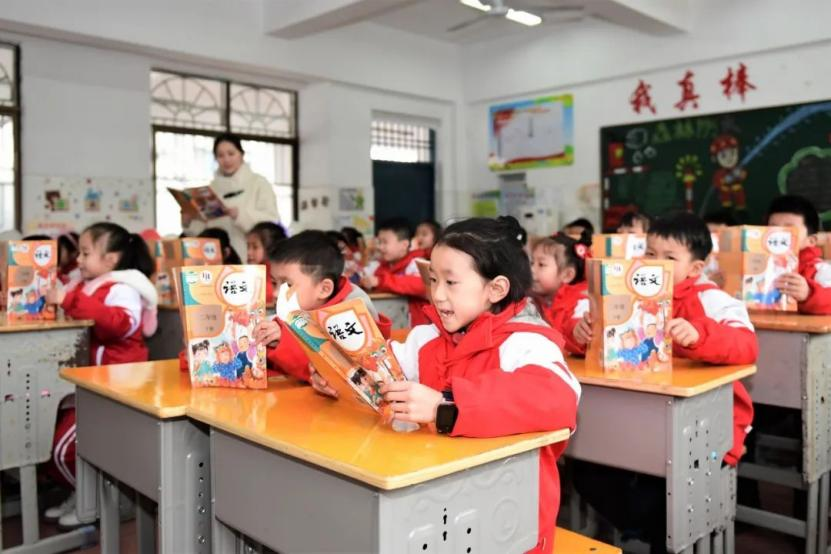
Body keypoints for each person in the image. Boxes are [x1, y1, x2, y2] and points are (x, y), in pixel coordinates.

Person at [311, 217, 580, 553]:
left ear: (496, 289)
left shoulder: (526, 342)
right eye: (434, 279)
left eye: (451, 282)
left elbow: (559, 398)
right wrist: (337, 375)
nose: (437, 294)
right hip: (437, 510)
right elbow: (382, 368)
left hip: (509, 525)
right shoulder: (427, 338)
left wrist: (445, 407)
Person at [572, 212, 756, 551]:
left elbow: (747, 345)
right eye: (650, 254)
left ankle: (658, 534)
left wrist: (700, 335)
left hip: (702, 425)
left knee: (664, 497)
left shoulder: (712, 299)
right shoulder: (626, 294)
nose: (656, 264)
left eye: (669, 258)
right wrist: (581, 333)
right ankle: (647, 529)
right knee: (585, 466)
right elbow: (587, 334)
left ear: (696, 268)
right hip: (640, 416)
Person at [43, 222, 157, 528]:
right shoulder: (86, 285)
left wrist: (68, 301)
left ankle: (92, 499)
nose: (78, 260)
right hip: (89, 383)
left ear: (111, 259)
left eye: (85, 253)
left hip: (115, 386)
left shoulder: (124, 288)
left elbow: (120, 325)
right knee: (51, 445)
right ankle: (81, 493)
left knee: (64, 450)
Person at [247, 231, 391, 382]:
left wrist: (283, 341)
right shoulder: (295, 310)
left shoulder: (352, 314)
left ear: (324, 289)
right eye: (274, 283)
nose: (276, 293)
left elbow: (343, 374)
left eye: (288, 284)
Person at [181, 133, 279, 257]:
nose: (226, 160)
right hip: (217, 257)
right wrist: (189, 222)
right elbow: (202, 233)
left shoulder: (259, 183)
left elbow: (271, 223)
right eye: (220, 155)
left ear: (241, 154)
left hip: (249, 256)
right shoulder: (211, 189)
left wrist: (239, 215)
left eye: (231, 154)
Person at [767, 195, 831, 314]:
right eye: (772, 228)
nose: (779, 234)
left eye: (789, 230)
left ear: (811, 241)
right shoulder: (755, 264)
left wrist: (809, 293)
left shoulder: (820, 271)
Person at [530, 231, 592, 354]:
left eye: (541, 264)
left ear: (567, 275)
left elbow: (576, 325)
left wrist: (578, 331)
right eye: (532, 263)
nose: (531, 269)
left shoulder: (582, 302)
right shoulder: (533, 299)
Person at [360, 218, 430, 326]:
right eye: (379, 242)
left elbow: (422, 285)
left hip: (414, 326)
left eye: (385, 242)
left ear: (404, 245)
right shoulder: (381, 266)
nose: (380, 247)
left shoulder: (416, 263)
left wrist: (380, 281)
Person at [247, 221, 287, 305]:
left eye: (255, 247)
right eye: (248, 247)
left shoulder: (278, 272)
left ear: (270, 247)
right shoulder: (251, 271)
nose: (249, 253)